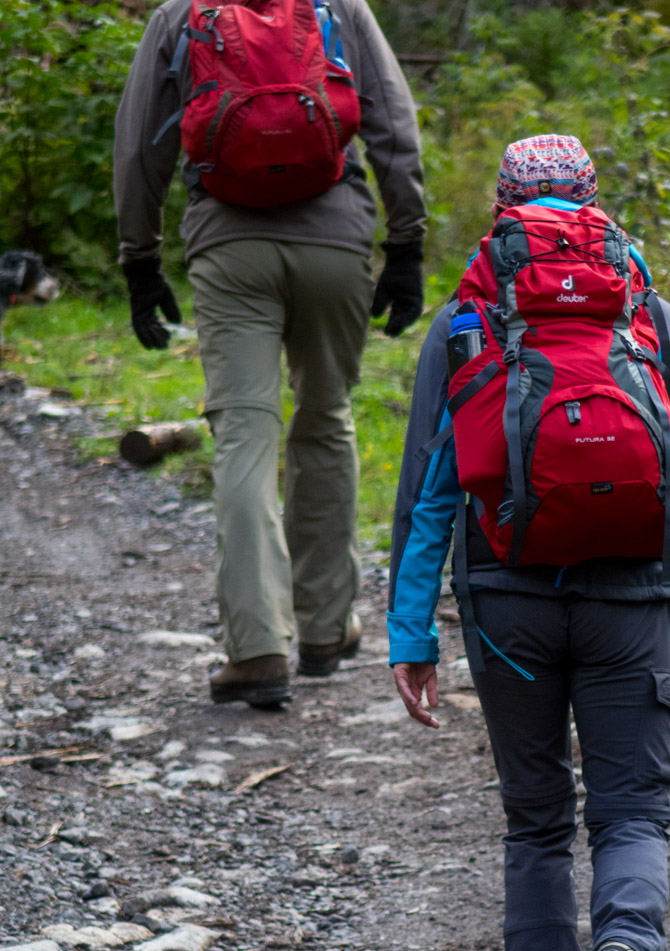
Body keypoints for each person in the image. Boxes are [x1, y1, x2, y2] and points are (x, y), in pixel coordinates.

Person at [388, 135, 670, 951]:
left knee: (535, 821)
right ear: (593, 206)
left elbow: (426, 496)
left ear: (500, 210)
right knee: (628, 809)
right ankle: (626, 942)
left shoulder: (464, 324)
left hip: (505, 600)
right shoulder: (645, 313)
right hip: (629, 594)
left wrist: (410, 633)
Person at [114, 0, 427, 707]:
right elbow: (391, 123)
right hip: (336, 239)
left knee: (244, 435)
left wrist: (140, 259)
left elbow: (138, 147)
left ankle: (256, 647)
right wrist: (406, 241)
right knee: (326, 417)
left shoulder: (180, 16)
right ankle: (324, 627)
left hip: (230, 244)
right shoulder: (338, 7)